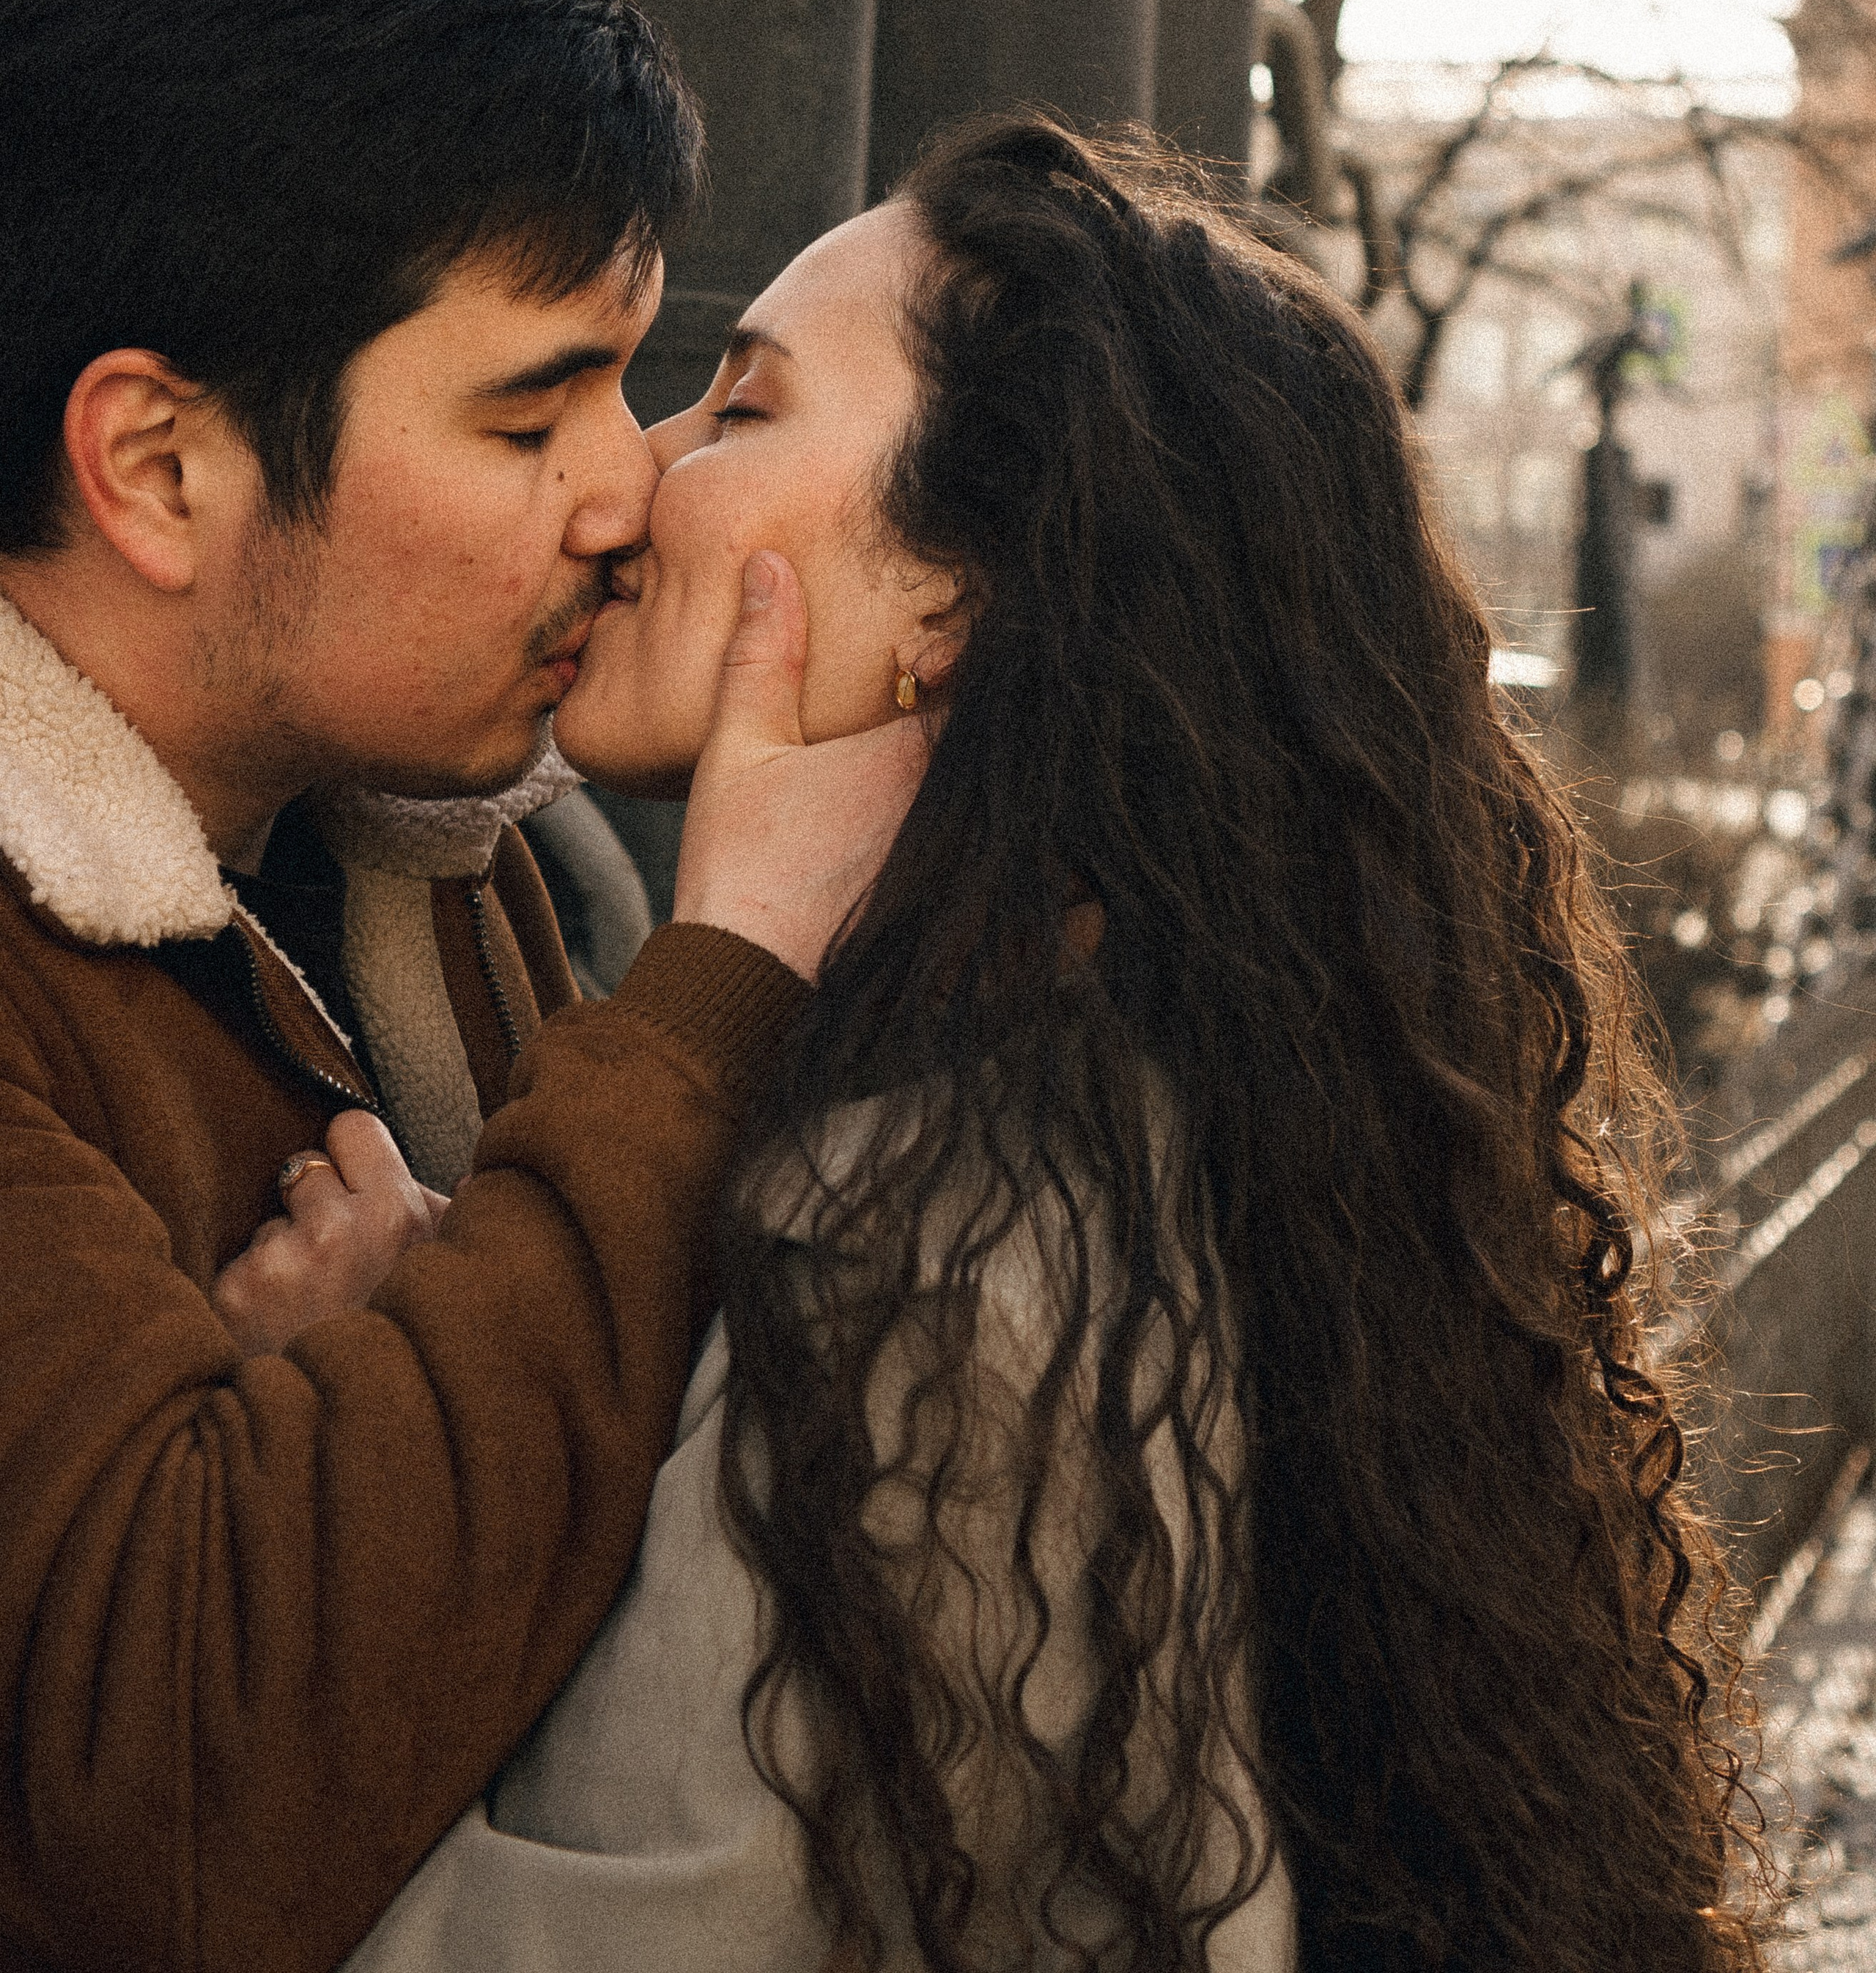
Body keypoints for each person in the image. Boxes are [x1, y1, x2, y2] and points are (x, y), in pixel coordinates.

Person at [258, 117, 1762, 1972]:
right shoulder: (1135, 1109)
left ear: (955, 594)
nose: (632, 479)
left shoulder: (936, 1246)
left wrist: (358, 1473)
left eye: (734, 409)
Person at [0, 0, 921, 1973]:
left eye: (633, 375)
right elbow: (190, 1808)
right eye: (532, 417)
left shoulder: (421, 854)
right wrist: (729, 983)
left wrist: (354, 1412)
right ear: (159, 466)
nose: (637, 489)